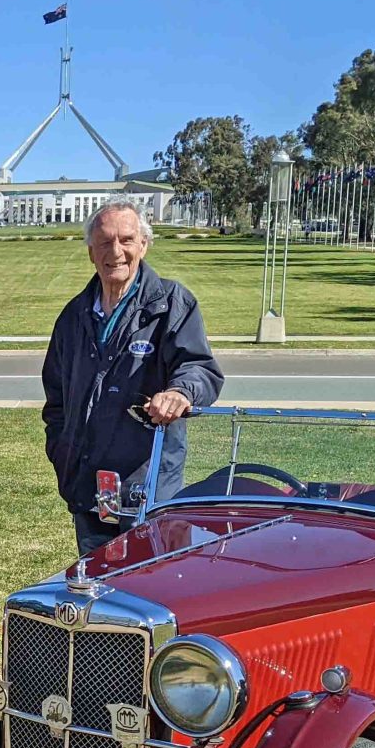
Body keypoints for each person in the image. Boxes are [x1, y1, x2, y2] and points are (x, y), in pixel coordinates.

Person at [42, 198, 224, 556]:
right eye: (105, 242)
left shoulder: (171, 304)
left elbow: (200, 368)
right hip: (88, 489)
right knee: (95, 591)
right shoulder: (74, 316)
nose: (116, 252)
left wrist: (180, 392)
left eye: (126, 240)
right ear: (91, 252)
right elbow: (56, 400)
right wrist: (63, 453)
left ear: (144, 244)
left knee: (149, 589)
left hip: (147, 489)